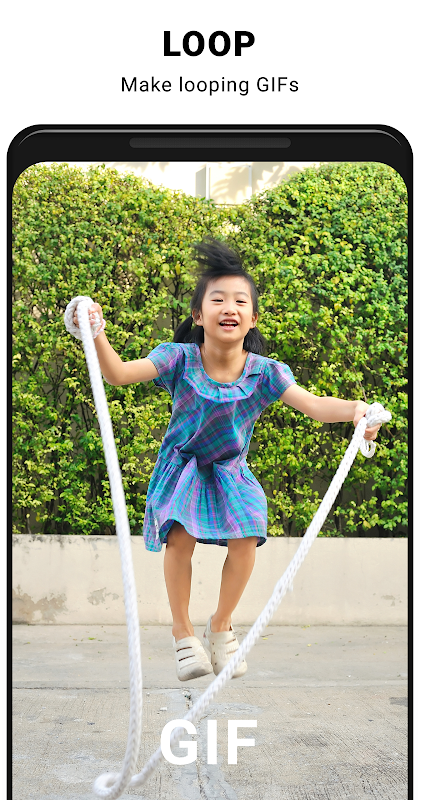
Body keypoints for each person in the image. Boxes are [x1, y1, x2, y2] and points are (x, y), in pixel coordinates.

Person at [72, 239, 381, 682]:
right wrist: (95, 331)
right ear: (198, 315)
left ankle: (220, 624)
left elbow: (314, 405)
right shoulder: (178, 358)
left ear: (253, 318)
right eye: (217, 299)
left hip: (229, 471)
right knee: (181, 538)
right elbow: (118, 374)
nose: (229, 307)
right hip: (184, 466)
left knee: (248, 533)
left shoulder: (266, 372)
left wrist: (356, 410)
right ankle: (182, 632)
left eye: (240, 301)